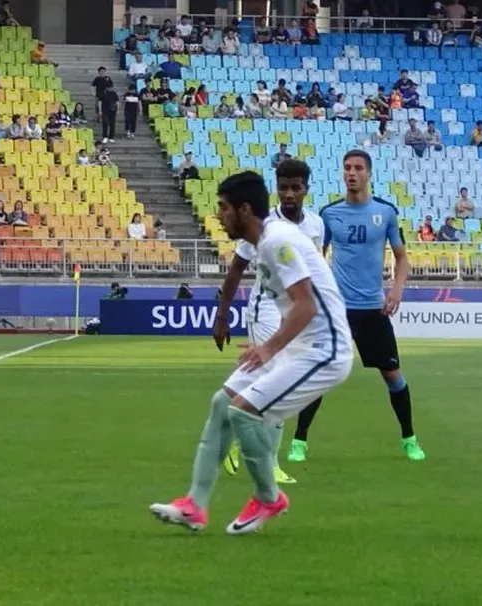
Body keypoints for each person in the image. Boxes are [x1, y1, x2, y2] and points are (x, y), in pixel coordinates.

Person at [150, 171, 353, 535]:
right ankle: (194, 506)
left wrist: (268, 348)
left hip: (325, 351)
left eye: (224, 208)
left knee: (243, 413)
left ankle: (268, 497)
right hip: (296, 346)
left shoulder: (277, 242)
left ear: (245, 209)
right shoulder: (264, 242)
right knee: (220, 403)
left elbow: (306, 306)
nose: (219, 215)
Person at [289, 150, 425, 463]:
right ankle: (299, 442)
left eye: (358, 168)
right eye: (347, 167)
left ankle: (410, 439)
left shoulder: (386, 212)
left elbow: (402, 257)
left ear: (368, 173)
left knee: (392, 374)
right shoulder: (329, 214)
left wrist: (398, 288)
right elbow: (315, 258)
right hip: (336, 310)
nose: (352, 173)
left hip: (374, 309)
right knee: (321, 372)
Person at [214, 160, 326, 486]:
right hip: (265, 308)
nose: (289, 194)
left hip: (296, 313)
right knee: (278, 379)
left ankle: (244, 440)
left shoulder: (316, 225)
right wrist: (222, 316)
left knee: (284, 382)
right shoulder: (263, 224)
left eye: (296, 187)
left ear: (306, 189)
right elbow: (235, 269)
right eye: (284, 187)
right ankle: (266, 458)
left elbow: (314, 273)